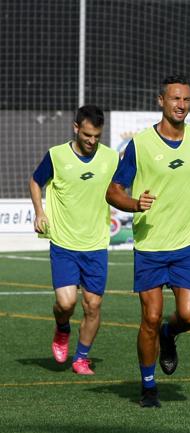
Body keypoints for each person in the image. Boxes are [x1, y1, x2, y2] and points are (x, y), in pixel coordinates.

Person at [106, 75, 190, 407]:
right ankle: (148, 386)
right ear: (160, 101)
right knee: (150, 317)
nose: (181, 105)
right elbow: (113, 191)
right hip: (151, 246)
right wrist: (135, 204)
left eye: (186, 100)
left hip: (185, 245)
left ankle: (170, 337)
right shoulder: (141, 144)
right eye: (175, 99)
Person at [29, 105, 119, 376]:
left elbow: (120, 188)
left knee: (93, 305)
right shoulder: (56, 156)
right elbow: (35, 182)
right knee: (66, 304)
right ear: (76, 128)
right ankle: (62, 328)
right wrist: (39, 212)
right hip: (64, 243)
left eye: (97, 136)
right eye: (88, 135)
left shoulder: (111, 158)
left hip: (96, 244)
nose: (92, 141)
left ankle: (81, 357)